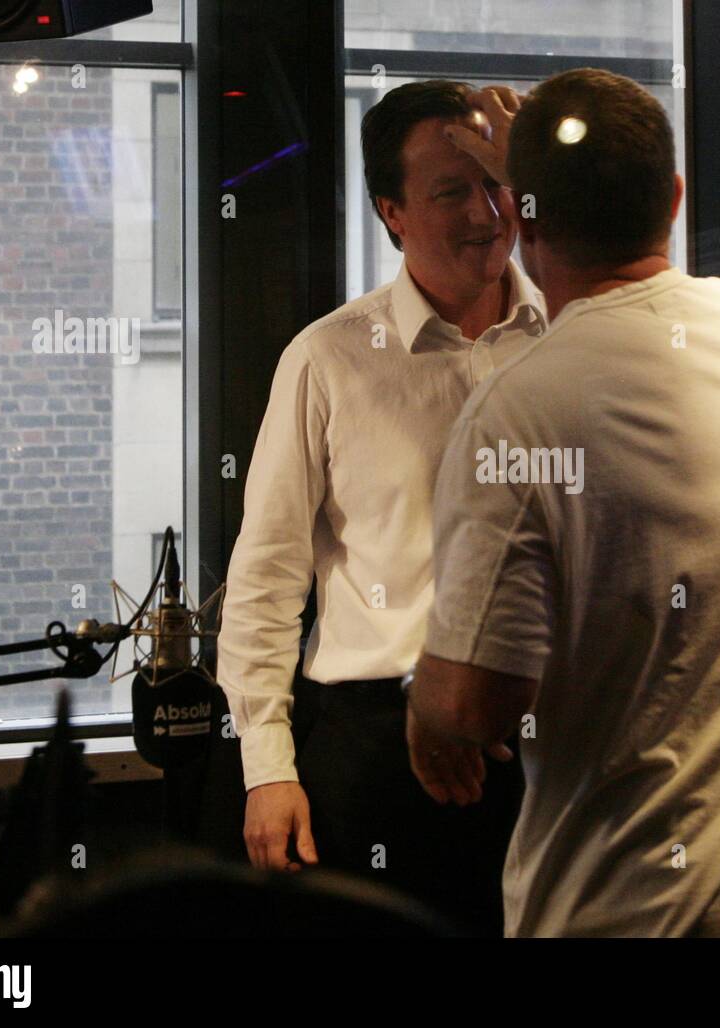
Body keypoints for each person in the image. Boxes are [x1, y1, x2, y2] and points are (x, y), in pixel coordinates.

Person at [405, 70, 720, 937]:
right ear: (672, 197)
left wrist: (425, 705)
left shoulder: (514, 411)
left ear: (521, 223)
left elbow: (478, 705)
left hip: (638, 914)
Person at [215, 79, 546, 935]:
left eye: (496, 183)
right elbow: (265, 576)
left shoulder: (575, 341)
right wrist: (267, 768)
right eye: (450, 191)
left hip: (557, 746)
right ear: (391, 213)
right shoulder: (328, 361)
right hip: (378, 755)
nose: (487, 210)